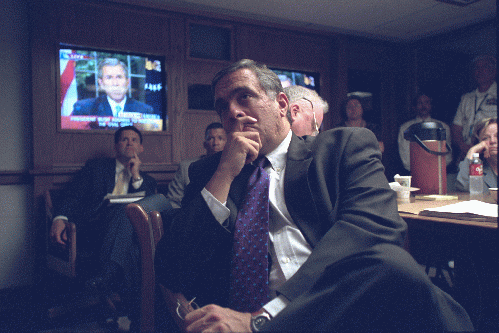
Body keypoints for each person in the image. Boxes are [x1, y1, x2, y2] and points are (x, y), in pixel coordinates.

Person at [155, 59, 473, 332]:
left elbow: (374, 231)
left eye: (244, 97)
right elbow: (173, 268)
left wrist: (262, 320)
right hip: (237, 310)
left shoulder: (340, 149)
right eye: (222, 106)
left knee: (392, 263)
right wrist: (225, 173)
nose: (233, 112)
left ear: (281, 105)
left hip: (335, 308)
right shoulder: (210, 172)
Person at [49, 126, 157, 309]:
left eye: (134, 140)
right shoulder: (96, 168)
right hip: (93, 228)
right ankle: (130, 304)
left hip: (127, 232)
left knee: (131, 240)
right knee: (123, 212)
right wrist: (59, 217)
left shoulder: (147, 180)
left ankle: (126, 304)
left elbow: (145, 208)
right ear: (116, 146)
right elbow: (72, 195)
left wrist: (136, 175)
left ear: (141, 149)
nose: (129, 142)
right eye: (124, 139)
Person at [166, 122, 227, 209]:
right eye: (211, 138)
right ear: (204, 144)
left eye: (220, 138)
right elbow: (173, 201)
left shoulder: (232, 168)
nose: (216, 143)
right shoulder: (186, 167)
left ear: (227, 143)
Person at [72, 58, 155, 116]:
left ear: (128, 82)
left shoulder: (145, 110)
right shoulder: (84, 108)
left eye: (119, 77)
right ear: (101, 83)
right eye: (109, 77)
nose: (115, 83)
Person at [452, 55, 497, 162]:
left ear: (493, 71)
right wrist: (463, 146)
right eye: (476, 68)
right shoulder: (466, 98)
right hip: (468, 152)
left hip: (491, 154)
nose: (479, 71)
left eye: (484, 67)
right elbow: (456, 127)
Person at [398, 93, 452, 171]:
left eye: (426, 102)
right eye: (420, 103)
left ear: (431, 105)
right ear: (414, 107)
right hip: (414, 172)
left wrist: (435, 169)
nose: (423, 106)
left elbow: (447, 155)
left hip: (438, 172)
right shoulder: (405, 128)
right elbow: (405, 155)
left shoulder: (443, 127)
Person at [456, 117, 497, 193]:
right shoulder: (477, 168)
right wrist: (472, 151)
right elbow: (462, 187)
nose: (492, 141)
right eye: (485, 138)